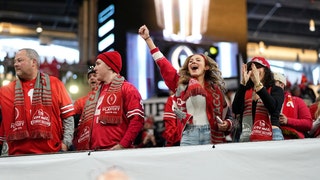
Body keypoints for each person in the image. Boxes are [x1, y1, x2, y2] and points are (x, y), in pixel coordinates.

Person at [138, 25, 233, 146]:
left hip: (211, 134)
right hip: (189, 134)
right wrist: (148, 39)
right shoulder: (181, 84)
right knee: (188, 165)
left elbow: (228, 115)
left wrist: (226, 125)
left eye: (198, 60)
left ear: (206, 67)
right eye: (191, 61)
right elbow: (163, 63)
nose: (193, 62)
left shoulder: (215, 90)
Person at [0, 48, 75, 155]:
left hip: (51, 153)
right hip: (17, 156)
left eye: (20, 60)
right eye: (15, 61)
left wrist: (66, 144)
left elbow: (67, 116)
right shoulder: (6, 90)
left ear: (33, 62)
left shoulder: (55, 83)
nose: (16, 64)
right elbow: (3, 121)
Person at [73, 51, 145, 150]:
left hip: (115, 153)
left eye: (98, 64)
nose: (95, 68)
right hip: (92, 153)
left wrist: (122, 145)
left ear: (109, 66)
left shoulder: (128, 89)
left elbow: (137, 120)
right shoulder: (93, 95)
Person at [232, 56, 284, 142]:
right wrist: (242, 85)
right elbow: (236, 109)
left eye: (258, 67)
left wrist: (258, 84)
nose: (254, 70)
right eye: (251, 68)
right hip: (247, 135)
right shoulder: (245, 90)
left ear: (266, 71)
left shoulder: (276, 89)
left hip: (273, 135)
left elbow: (273, 108)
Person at [273, 72, 312, 139]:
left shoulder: (297, 101)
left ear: (282, 85)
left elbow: (308, 124)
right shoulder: (262, 100)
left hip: (293, 140)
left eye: (272, 83)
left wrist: (288, 121)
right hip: (269, 139)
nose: (269, 86)